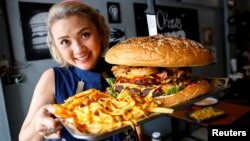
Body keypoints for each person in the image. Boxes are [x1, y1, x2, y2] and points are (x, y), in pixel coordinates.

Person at [19, 1, 138, 141]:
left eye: (85, 35)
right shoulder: (52, 78)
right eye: (65, 41)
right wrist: (39, 123)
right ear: (56, 47)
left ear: (99, 33)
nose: (78, 49)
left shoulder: (120, 68)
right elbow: (25, 139)